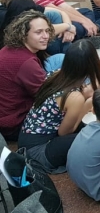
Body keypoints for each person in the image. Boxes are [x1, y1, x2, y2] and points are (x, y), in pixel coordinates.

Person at [18, 39, 100, 174]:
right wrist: (87, 103)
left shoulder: (56, 74)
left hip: (26, 141)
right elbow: (64, 133)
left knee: (90, 130)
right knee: (92, 137)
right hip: (39, 152)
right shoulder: (75, 97)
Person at [0, 11, 63, 140]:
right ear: (23, 34)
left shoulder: (9, 48)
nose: (45, 36)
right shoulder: (26, 62)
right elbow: (47, 96)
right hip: (16, 123)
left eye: (47, 31)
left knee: (61, 61)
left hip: (6, 114)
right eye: (38, 32)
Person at [0, 0, 73, 56]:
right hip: (28, 59)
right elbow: (43, 31)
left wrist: (68, 28)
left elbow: (60, 12)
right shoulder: (18, 29)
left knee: (54, 14)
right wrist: (68, 26)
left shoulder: (9, 17)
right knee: (60, 58)